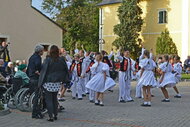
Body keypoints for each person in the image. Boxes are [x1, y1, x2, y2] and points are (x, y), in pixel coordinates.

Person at [38, 45, 70, 122]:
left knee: (49, 100)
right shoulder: (61, 59)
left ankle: (50, 116)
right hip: (57, 82)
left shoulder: (48, 60)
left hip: (48, 82)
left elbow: (43, 72)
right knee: (54, 99)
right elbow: (65, 70)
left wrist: (40, 83)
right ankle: (55, 114)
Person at [27, 44, 44, 119]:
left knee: (34, 96)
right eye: (42, 51)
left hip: (31, 78)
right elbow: (37, 67)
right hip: (36, 78)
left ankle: (36, 112)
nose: (43, 52)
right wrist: (39, 72)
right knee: (37, 96)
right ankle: (35, 113)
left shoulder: (31, 57)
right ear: (40, 51)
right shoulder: (38, 58)